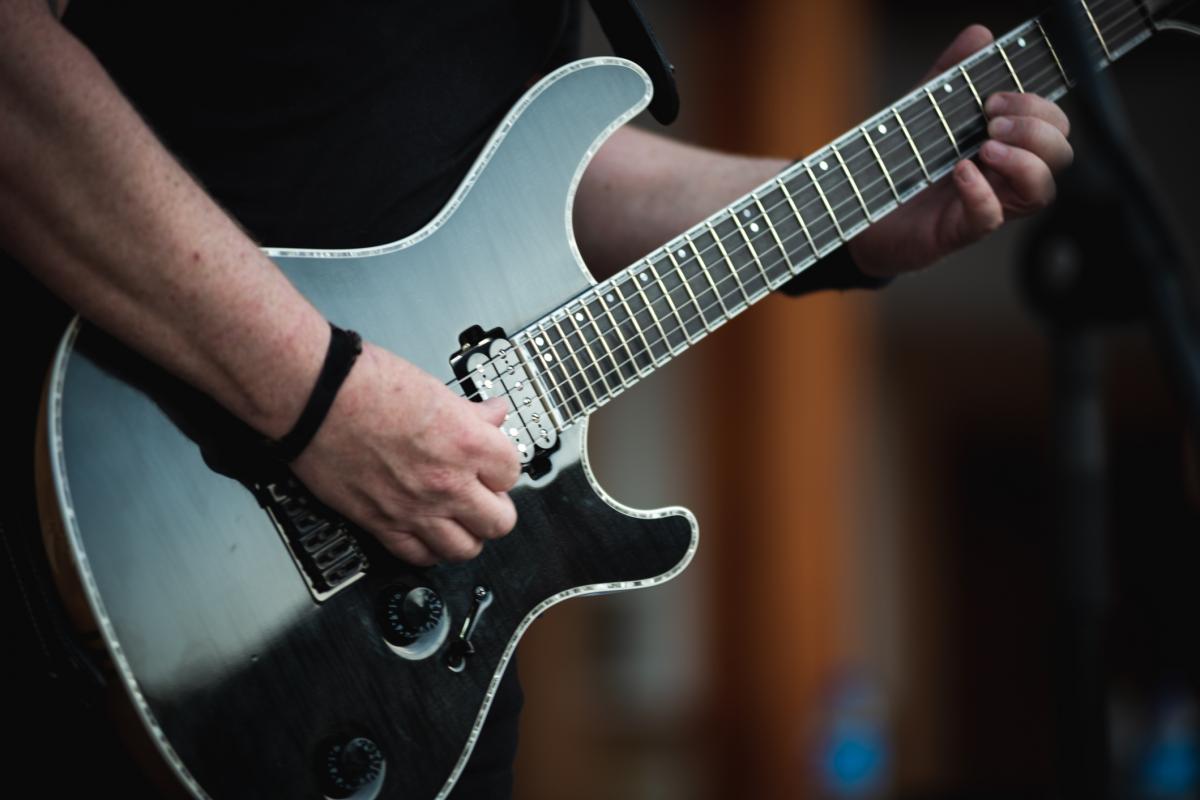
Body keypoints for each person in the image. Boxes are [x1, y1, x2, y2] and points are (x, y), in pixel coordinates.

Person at [0, 1, 1073, 797]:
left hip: (395, 665)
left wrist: (863, 218)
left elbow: (550, 172)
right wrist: (316, 395)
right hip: (102, 513)